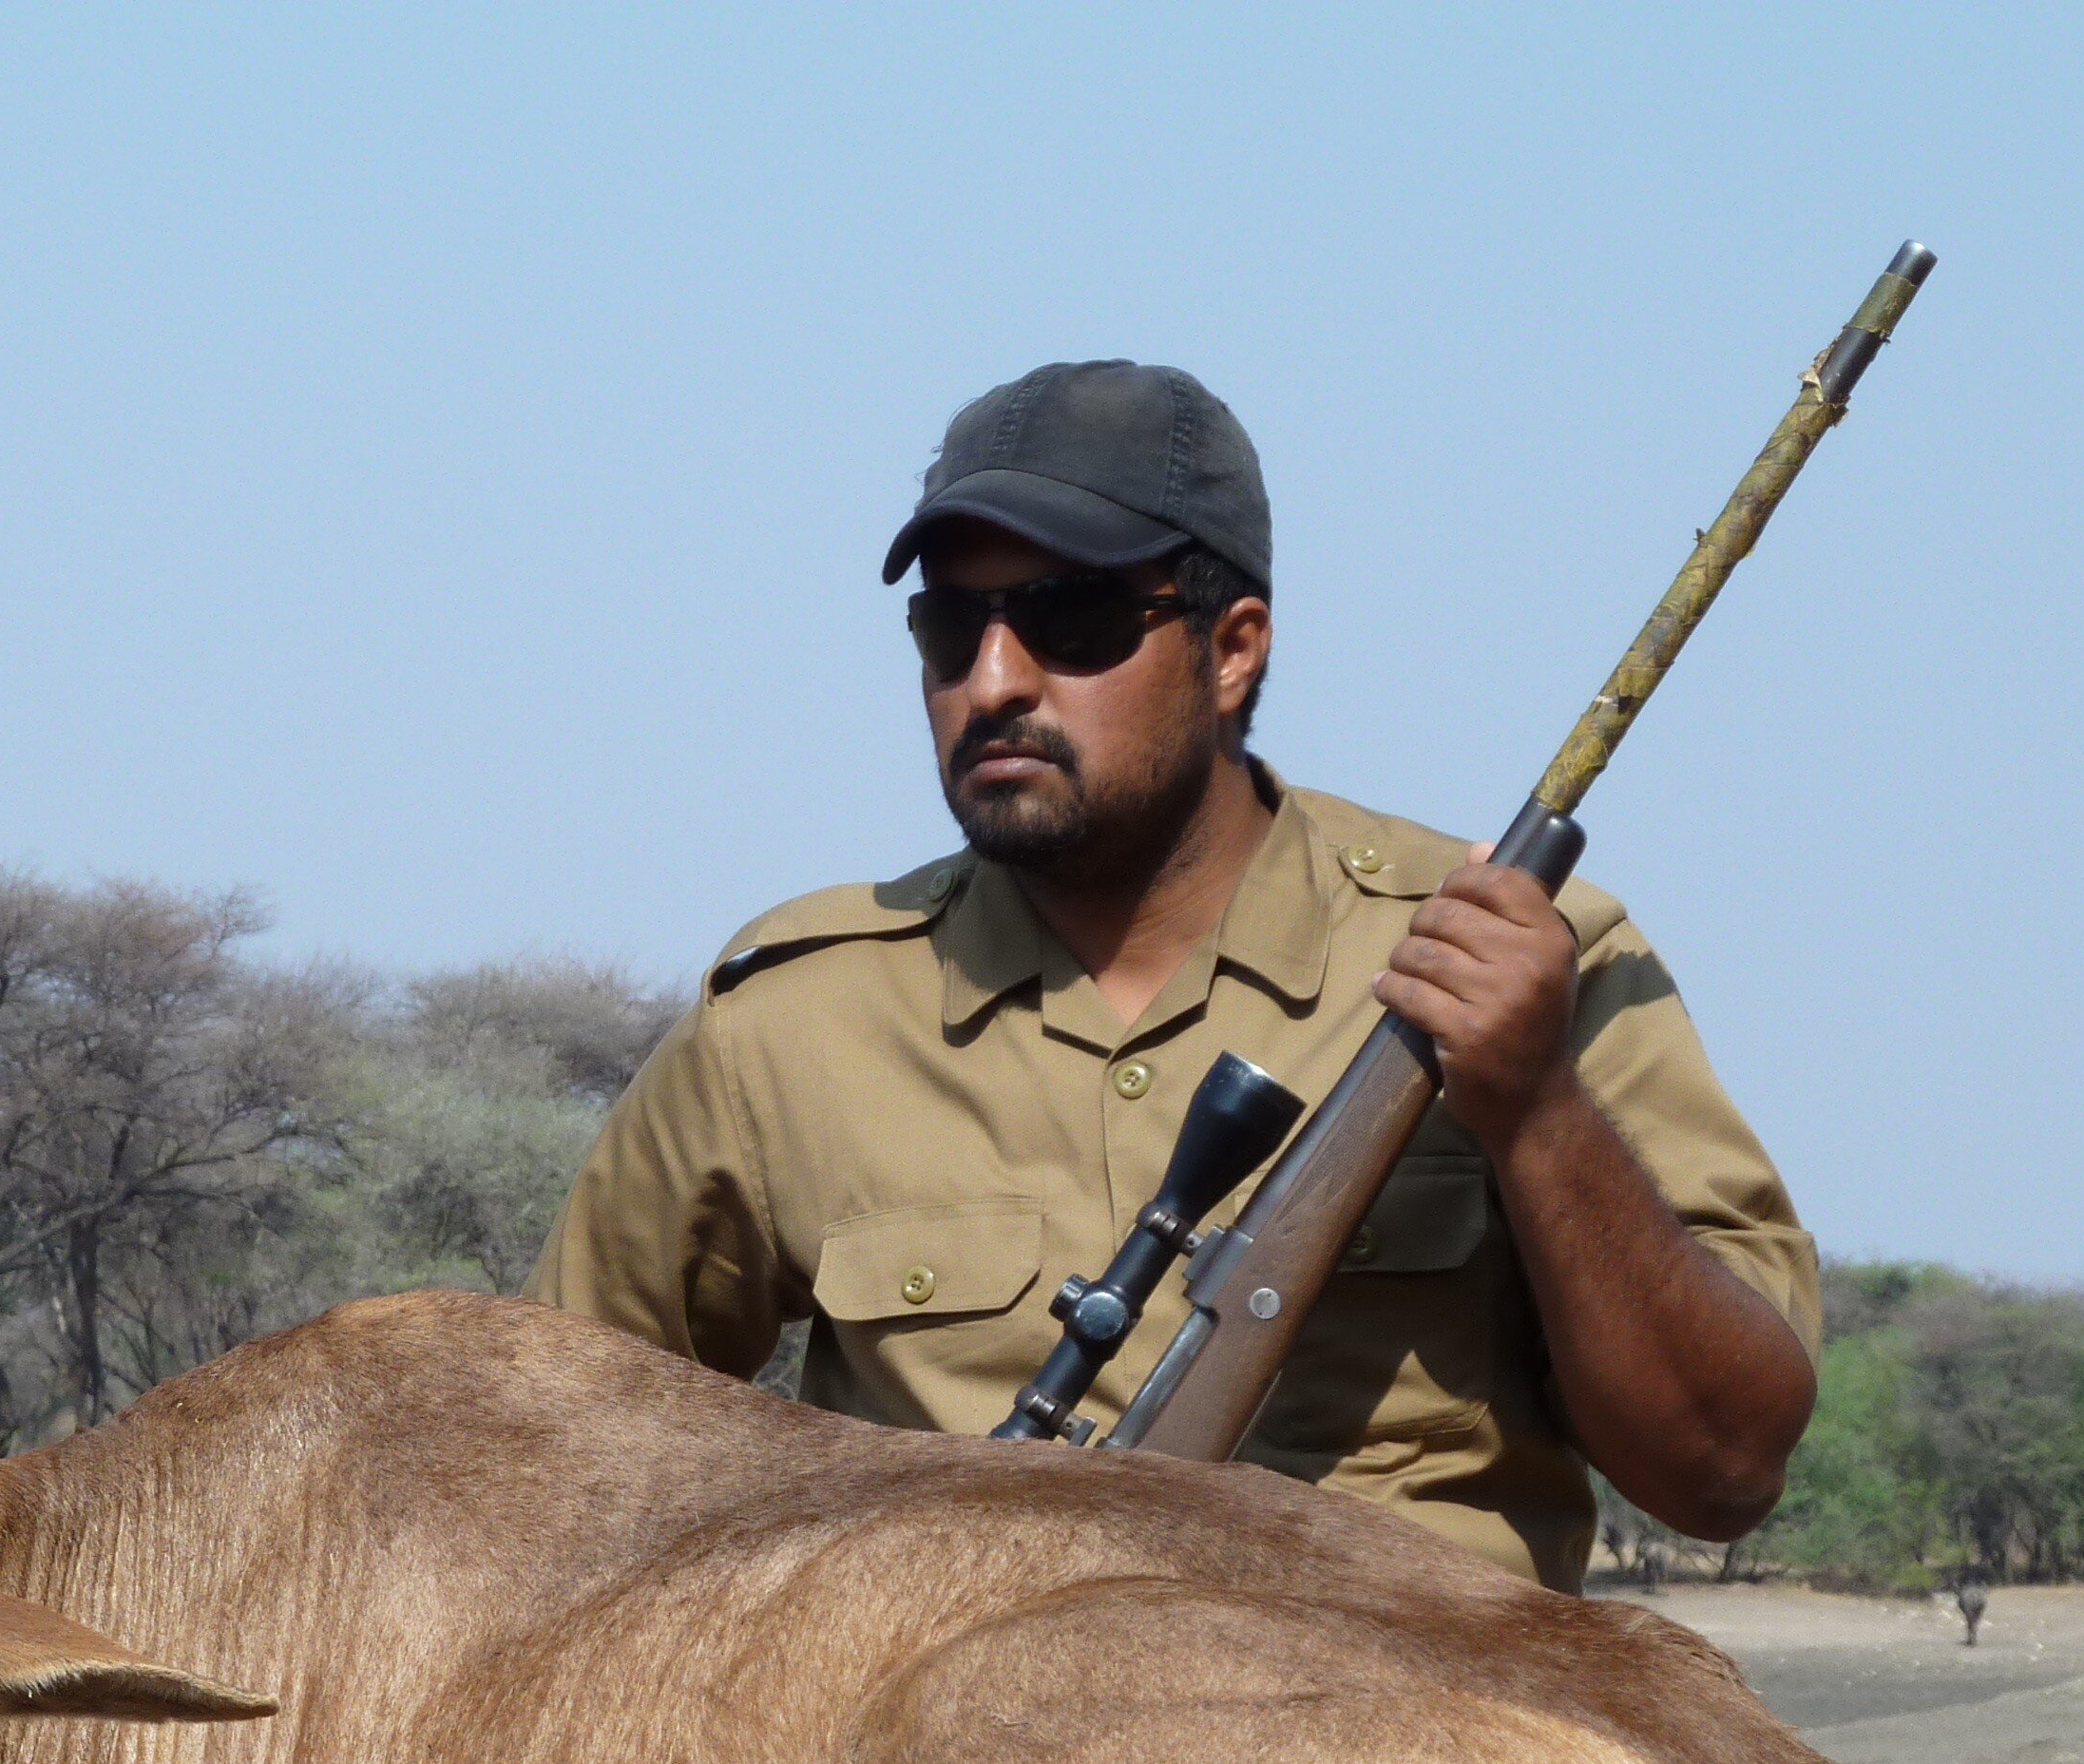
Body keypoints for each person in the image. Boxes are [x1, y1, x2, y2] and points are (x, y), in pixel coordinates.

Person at [528, 359, 1820, 1589]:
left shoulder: (1523, 958)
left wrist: (1537, 1112)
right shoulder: (790, 1021)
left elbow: (1722, 1470)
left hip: (1427, 1763)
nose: (994, 682)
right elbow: (548, 1472)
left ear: (1235, 647)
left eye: (1071, 620)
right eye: (948, 628)